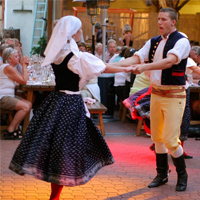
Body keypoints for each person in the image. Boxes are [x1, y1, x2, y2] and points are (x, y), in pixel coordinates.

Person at [9, 16, 133, 200]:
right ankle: (55, 195)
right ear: (73, 32)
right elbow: (103, 68)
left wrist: (128, 66)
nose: (81, 32)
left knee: (57, 147)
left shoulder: (58, 53)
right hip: (70, 104)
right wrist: (128, 67)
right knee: (65, 149)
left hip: (57, 101)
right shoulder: (75, 57)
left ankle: (55, 194)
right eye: (79, 29)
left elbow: (101, 66)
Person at [107, 8, 190, 191]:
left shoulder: (182, 41)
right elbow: (135, 58)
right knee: (157, 138)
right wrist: (109, 66)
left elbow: (169, 62)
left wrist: (144, 67)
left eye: (163, 19)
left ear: (173, 22)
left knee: (169, 139)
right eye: (158, 19)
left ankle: (182, 175)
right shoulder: (153, 42)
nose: (159, 22)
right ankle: (162, 174)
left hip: (174, 96)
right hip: (156, 94)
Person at [0, 47, 32, 139]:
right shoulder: (7, 67)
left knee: (29, 104)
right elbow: (24, 81)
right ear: (9, 58)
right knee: (25, 107)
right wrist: (24, 66)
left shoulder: (10, 67)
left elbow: (20, 81)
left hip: (9, 95)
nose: (19, 57)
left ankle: (16, 127)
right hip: (2, 97)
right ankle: (10, 129)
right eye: (16, 56)